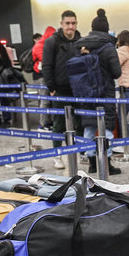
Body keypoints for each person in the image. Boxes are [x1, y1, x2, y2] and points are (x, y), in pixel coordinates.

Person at [74, 9, 122, 174]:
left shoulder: (81, 44)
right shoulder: (108, 47)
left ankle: (92, 163)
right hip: (105, 93)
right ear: (106, 29)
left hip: (85, 92)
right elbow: (116, 73)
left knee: (89, 127)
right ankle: (106, 163)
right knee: (106, 128)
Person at [42, 10, 81, 170]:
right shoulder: (52, 42)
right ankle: (57, 155)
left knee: (77, 123)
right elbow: (47, 66)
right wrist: (51, 88)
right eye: (67, 23)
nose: (70, 27)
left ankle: (75, 153)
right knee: (59, 124)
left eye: (73, 23)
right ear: (62, 24)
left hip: (77, 90)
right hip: (59, 90)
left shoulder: (81, 41)